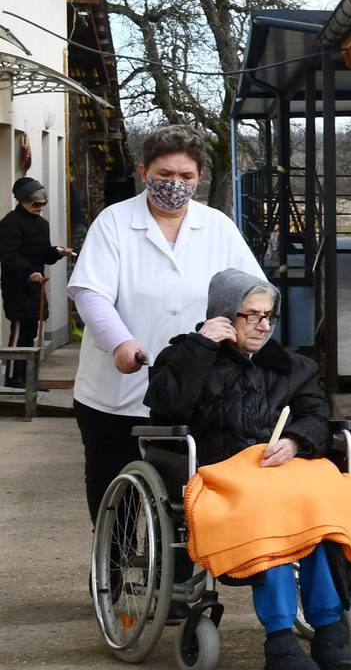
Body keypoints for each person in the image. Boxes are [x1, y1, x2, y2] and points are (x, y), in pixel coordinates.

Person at [146, 268, 351, 670]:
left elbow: (316, 414)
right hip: (220, 475)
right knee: (273, 511)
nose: (263, 325)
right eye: (251, 315)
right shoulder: (186, 356)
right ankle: (280, 638)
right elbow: (168, 407)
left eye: (268, 316)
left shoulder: (291, 366)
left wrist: (297, 440)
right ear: (225, 316)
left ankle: (329, 627)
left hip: (282, 471)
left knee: (321, 503)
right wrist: (203, 345)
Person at [66, 125, 260, 522]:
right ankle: (111, 577)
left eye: (186, 177)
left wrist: (248, 332)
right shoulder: (114, 222)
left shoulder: (218, 227)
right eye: (164, 176)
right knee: (113, 503)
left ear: (199, 178)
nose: (175, 185)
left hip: (191, 393)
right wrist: (120, 342)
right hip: (116, 394)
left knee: (185, 506)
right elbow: (90, 293)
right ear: (143, 173)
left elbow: (252, 292)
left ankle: (181, 582)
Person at [1, 177, 73, 387]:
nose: (40, 208)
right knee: (19, 330)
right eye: (35, 204)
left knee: (31, 332)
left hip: (36, 285)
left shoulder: (42, 224)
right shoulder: (10, 223)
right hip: (18, 285)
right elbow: (9, 256)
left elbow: (44, 255)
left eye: (43, 204)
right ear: (23, 201)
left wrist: (58, 252)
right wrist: (29, 271)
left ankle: (27, 378)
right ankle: (13, 378)